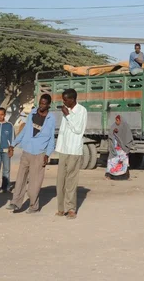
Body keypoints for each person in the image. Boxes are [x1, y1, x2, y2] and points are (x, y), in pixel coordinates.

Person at [6, 94, 56, 214]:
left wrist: (47, 154)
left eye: (44, 103)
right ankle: (15, 203)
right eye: (40, 102)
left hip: (39, 153)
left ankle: (33, 206)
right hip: (27, 150)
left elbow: (51, 138)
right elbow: (24, 131)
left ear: (49, 105)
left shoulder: (51, 118)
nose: (41, 105)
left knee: (34, 182)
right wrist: (13, 144)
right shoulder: (32, 113)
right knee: (20, 178)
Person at [55, 89, 87, 220]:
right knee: (60, 180)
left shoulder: (81, 111)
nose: (64, 102)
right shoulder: (65, 111)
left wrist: (68, 115)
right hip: (63, 149)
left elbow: (78, 129)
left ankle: (71, 209)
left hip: (74, 150)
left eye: (66, 99)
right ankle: (61, 208)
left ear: (73, 99)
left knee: (71, 181)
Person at [106, 115, 133, 180]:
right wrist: (113, 132)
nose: (116, 122)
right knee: (112, 161)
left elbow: (128, 137)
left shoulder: (125, 126)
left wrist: (126, 146)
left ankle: (125, 176)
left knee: (124, 162)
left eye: (118, 120)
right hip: (115, 149)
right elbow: (110, 135)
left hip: (122, 149)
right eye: (116, 120)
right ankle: (111, 175)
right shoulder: (114, 126)